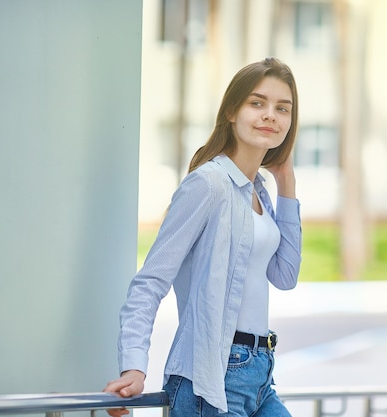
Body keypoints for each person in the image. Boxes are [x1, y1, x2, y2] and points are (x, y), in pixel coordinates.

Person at [103, 57, 301, 417]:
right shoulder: (208, 184)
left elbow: (285, 276)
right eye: (257, 103)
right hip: (211, 379)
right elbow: (150, 281)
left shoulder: (259, 190)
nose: (271, 115)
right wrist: (133, 365)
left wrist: (286, 181)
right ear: (230, 112)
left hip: (260, 374)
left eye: (282, 108)